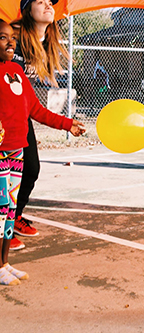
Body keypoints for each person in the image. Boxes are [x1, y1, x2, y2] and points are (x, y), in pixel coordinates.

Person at [0, 19, 85, 285]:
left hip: (17, 151)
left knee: (11, 211)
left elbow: (35, 110)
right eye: (3, 38)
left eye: (11, 37)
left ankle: (4, 262)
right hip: (1, 154)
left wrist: (67, 124)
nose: (11, 42)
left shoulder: (16, 71)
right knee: (0, 211)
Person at [10, 0, 70, 250]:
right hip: (4, 113)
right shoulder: (11, 36)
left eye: (50, 2)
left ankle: (13, 219)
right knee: (7, 172)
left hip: (19, 111)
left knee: (30, 168)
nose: (48, 5)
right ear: (27, 9)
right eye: (40, 1)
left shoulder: (47, 42)